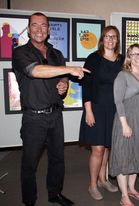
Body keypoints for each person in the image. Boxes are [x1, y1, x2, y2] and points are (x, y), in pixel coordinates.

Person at [12, 12, 90, 206]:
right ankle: (29, 201)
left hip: (55, 115)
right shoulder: (20, 52)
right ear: (29, 30)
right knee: (29, 164)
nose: (39, 29)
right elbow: (34, 70)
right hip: (33, 118)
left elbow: (61, 77)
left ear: (48, 29)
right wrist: (69, 70)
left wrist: (64, 84)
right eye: (35, 25)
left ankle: (55, 194)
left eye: (44, 25)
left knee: (57, 159)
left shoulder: (56, 54)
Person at [79, 25, 124, 200]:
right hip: (96, 108)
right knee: (97, 149)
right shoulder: (93, 59)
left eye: (114, 37)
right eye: (107, 36)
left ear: (117, 40)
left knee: (107, 147)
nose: (110, 39)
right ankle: (92, 185)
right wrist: (88, 111)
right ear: (102, 39)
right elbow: (87, 86)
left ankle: (103, 179)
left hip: (114, 109)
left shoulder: (121, 60)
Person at [109, 43, 139, 206]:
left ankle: (131, 187)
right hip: (127, 120)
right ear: (128, 58)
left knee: (137, 153)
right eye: (134, 54)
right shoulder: (122, 75)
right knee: (124, 156)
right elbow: (118, 101)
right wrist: (125, 125)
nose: (138, 57)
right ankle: (124, 196)